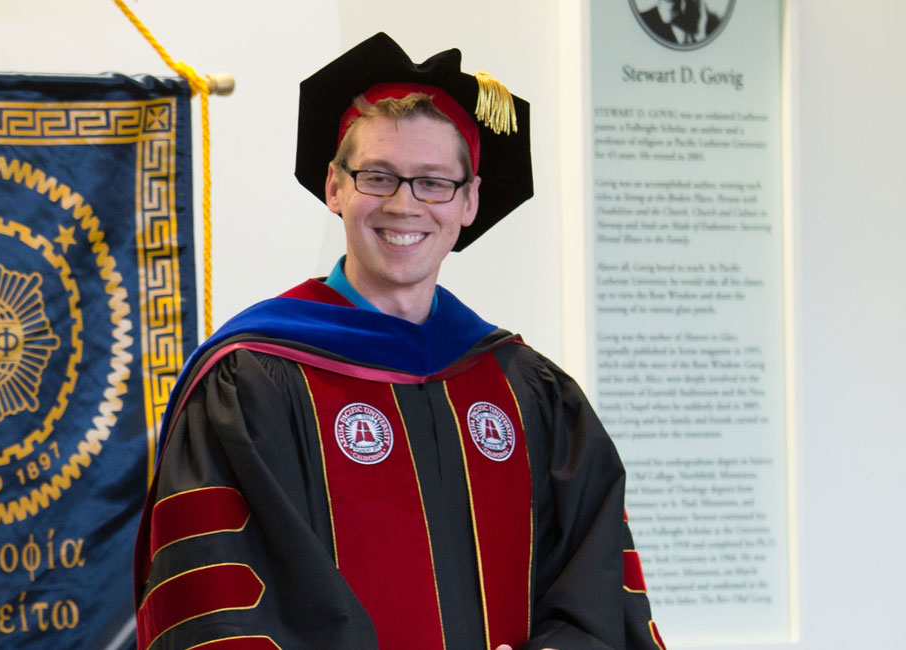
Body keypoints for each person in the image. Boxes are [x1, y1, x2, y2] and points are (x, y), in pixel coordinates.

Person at [132, 33, 665, 650]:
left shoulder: (531, 394)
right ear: (335, 187)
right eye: (377, 176)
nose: (404, 204)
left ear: (468, 202)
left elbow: (596, 596)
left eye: (433, 182)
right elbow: (218, 610)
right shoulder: (252, 382)